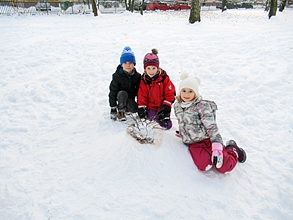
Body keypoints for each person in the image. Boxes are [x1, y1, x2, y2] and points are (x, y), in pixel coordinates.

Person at [174, 72, 246, 174]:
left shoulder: (202, 106)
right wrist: (183, 133)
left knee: (223, 166)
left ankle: (233, 150)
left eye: (190, 91)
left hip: (208, 139)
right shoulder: (177, 106)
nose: (186, 94)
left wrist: (217, 146)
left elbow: (212, 128)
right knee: (204, 165)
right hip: (193, 143)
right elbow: (182, 121)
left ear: (195, 93)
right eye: (184, 91)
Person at [137, 48, 176, 130]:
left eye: (153, 68)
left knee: (167, 126)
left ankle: (164, 117)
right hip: (151, 107)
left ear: (157, 68)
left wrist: (166, 107)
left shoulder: (164, 78)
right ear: (145, 69)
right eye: (148, 68)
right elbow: (142, 96)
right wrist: (142, 108)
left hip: (162, 107)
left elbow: (170, 92)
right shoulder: (144, 81)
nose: (151, 71)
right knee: (151, 121)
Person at [109, 46, 141, 121]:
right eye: (125, 63)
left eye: (130, 63)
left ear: (134, 64)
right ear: (121, 64)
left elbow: (140, 91)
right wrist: (113, 107)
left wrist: (141, 106)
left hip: (130, 98)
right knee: (122, 93)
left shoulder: (137, 76)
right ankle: (121, 111)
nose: (128, 65)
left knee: (134, 109)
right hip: (121, 97)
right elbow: (113, 91)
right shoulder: (117, 76)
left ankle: (127, 108)